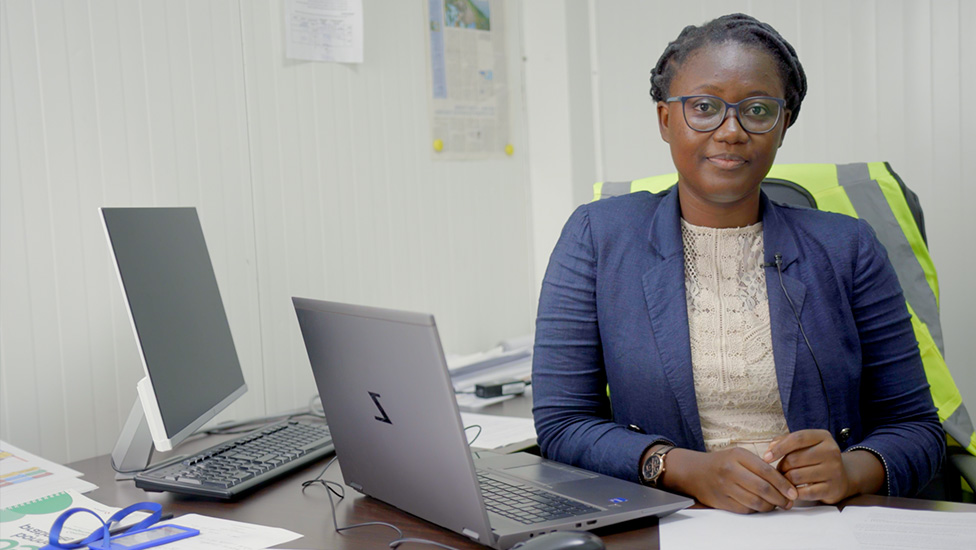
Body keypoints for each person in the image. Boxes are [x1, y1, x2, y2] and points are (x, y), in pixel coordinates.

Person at [531, 13, 944, 514]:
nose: (731, 130)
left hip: (823, 523)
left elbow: (919, 429)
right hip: (673, 521)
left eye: (757, 109)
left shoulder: (848, 247)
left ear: (783, 124)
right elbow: (563, 423)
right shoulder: (597, 238)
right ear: (666, 120)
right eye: (704, 107)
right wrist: (679, 467)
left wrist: (851, 470)